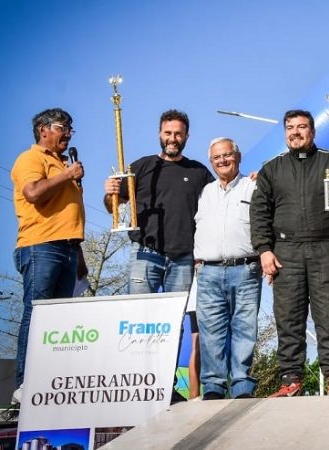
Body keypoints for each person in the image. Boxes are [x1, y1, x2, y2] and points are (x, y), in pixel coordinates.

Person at [251, 109, 329, 397]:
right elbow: (259, 212)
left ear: (313, 132)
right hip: (285, 251)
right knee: (288, 318)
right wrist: (264, 250)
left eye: (301, 127)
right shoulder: (271, 169)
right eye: (290, 127)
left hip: (326, 248)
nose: (295, 132)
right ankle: (290, 378)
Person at [103, 109, 214, 402]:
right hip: (145, 253)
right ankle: (139, 384)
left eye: (178, 134)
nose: (173, 139)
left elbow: (219, 201)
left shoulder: (199, 172)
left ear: (187, 136)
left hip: (183, 259)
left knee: (171, 325)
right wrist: (110, 192)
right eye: (168, 133)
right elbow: (112, 206)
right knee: (139, 322)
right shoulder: (141, 167)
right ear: (159, 133)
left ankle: (163, 385)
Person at [10, 108, 86, 396]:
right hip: (41, 245)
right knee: (37, 313)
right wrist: (67, 175)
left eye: (70, 129)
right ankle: (24, 382)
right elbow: (33, 193)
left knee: (57, 322)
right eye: (61, 127)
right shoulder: (31, 158)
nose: (67, 133)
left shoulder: (62, 164)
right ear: (43, 129)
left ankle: (49, 380)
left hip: (68, 247)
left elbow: (67, 213)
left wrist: (79, 255)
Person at [193, 137, 262, 400]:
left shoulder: (253, 186)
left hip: (245, 269)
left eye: (227, 155)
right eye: (216, 158)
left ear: (238, 156)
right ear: (211, 162)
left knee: (245, 329)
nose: (222, 161)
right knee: (211, 331)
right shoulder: (203, 192)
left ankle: (242, 385)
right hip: (208, 271)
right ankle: (213, 386)